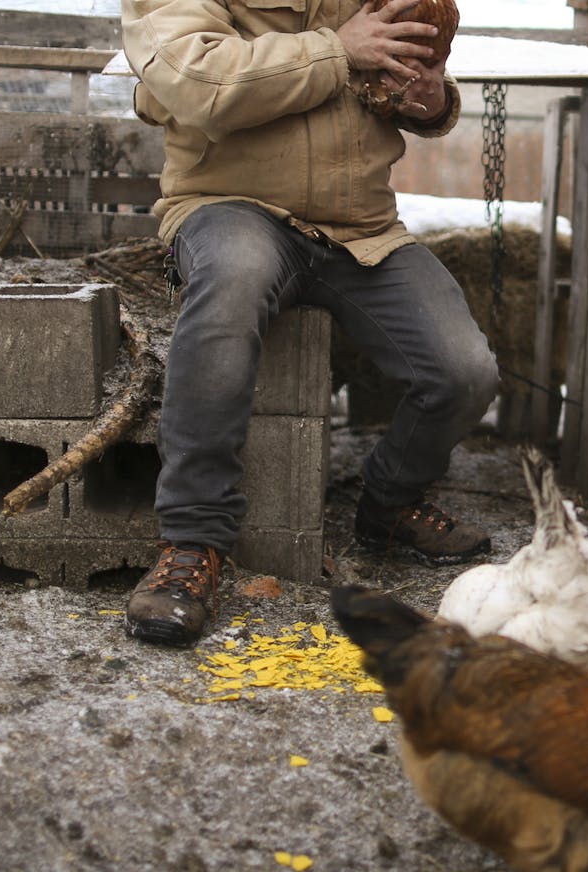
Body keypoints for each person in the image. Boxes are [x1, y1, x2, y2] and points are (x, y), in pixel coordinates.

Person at [119, 0, 498, 647]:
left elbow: (401, 73)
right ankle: (193, 539)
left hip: (361, 226)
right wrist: (337, 49)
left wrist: (430, 97)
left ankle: (388, 503)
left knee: (466, 370)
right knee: (232, 280)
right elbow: (201, 83)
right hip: (229, 204)